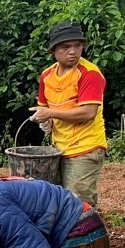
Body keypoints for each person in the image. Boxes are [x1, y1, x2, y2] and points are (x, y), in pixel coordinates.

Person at [31, 21, 108, 206]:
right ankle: (66, 235)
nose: (72, 51)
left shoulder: (90, 74)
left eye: (77, 46)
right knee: (56, 200)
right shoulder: (47, 75)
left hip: (86, 146)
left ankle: (89, 235)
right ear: (53, 51)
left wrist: (50, 112)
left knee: (79, 202)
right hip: (58, 147)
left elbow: (88, 112)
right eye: (65, 47)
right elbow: (45, 108)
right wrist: (45, 122)